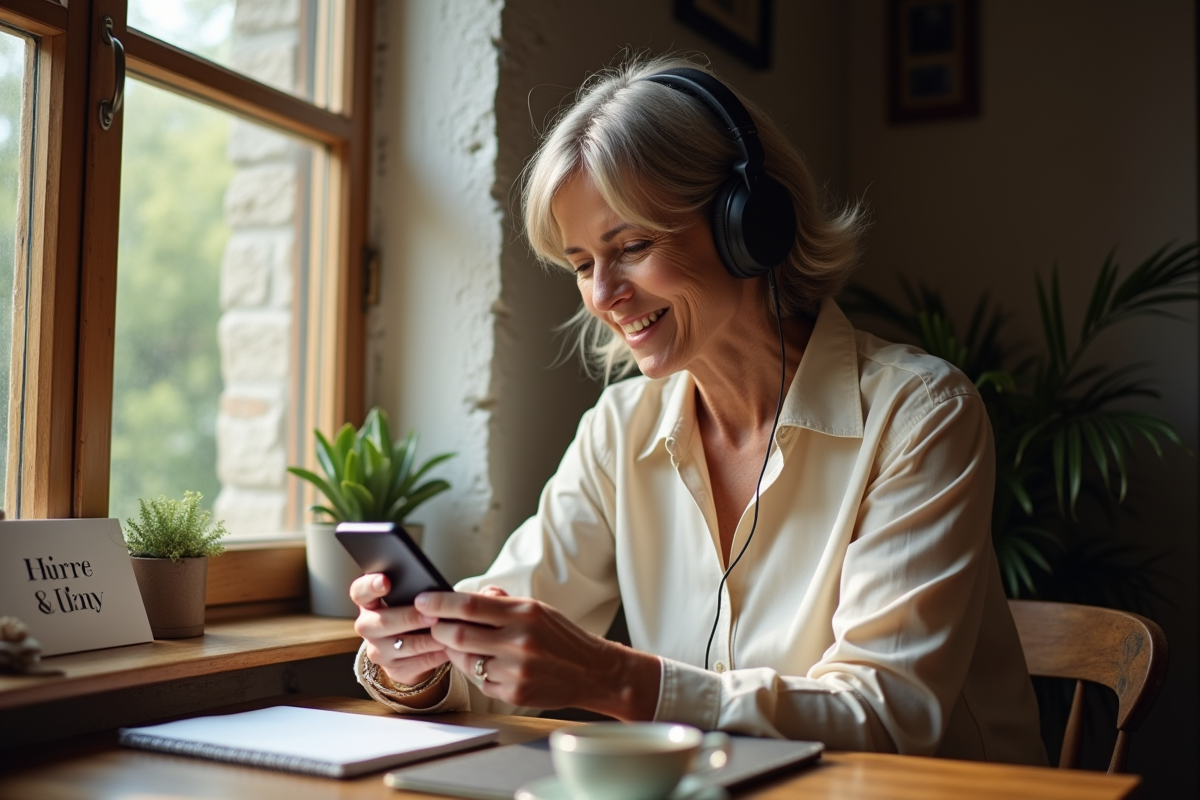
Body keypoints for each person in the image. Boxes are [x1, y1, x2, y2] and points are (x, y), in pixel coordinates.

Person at [349, 55, 1046, 764]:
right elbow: (503, 641)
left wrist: (615, 677)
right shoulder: (620, 429)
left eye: (633, 246)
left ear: (750, 226)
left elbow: (887, 718)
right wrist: (422, 659)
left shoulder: (921, 414)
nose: (603, 295)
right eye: (584, 263)